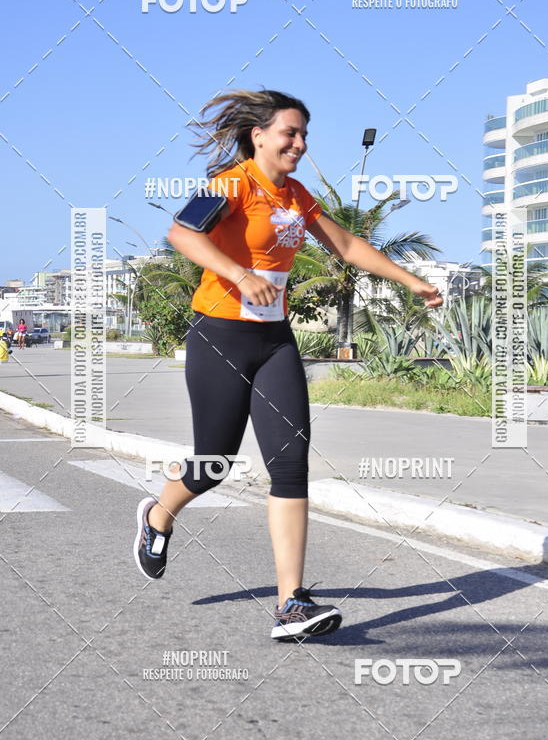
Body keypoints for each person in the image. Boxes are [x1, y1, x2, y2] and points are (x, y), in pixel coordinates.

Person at [133, 89, 443, 640]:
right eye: (289, 134)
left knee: (290, 462)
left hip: (275, 341)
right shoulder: (232, 185)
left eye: (304, 136)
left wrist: (410, 279)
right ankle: (159, 515)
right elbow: (182, 233)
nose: (299, 145)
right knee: (214, 463)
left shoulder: (297, 195)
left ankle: (291, 604)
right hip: (220, 336)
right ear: (259, 136)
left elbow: (346, 244)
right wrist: (237, 272)